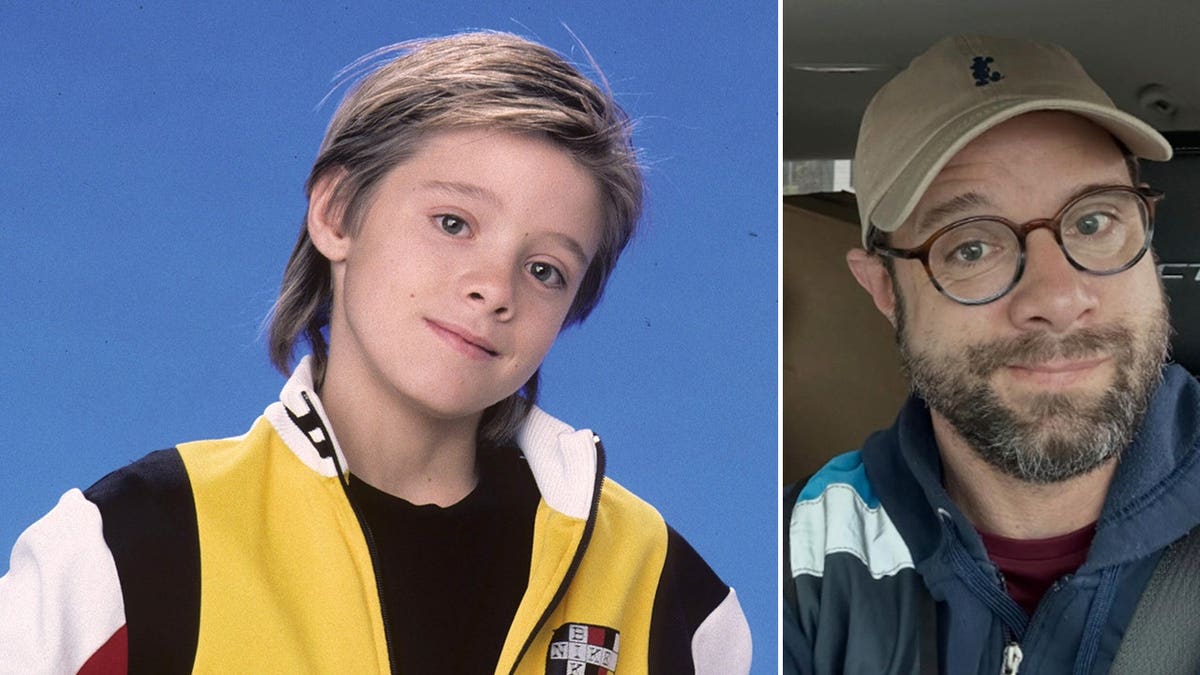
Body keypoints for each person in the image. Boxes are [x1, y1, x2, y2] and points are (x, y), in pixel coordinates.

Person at [0, 32, 751, 673]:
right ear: (336, 213)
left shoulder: (667, 591)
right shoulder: (127, 546)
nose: (494, 288)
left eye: (545, 268)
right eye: (453, 222)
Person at [784, 34, 1200, 674]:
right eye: (971, 248)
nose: (1059, 299)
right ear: (882, 290)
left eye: (1093, 222)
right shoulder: (795, 556)